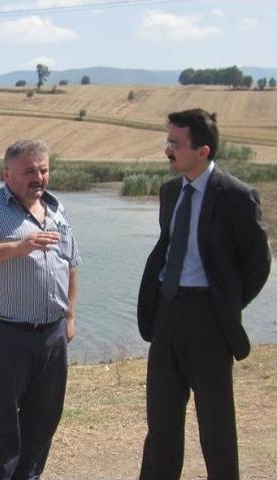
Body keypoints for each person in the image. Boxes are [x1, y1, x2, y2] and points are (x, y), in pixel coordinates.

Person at [137, 109, 270, 480]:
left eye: (175, 144)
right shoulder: (169, 192)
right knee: (161, 423)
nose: (168, 151)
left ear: (203, 151)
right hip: (167, 314)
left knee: (216, 427)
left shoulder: (237, 196)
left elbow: (258, 263)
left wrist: (225, 304)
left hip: (209, 320)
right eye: (167, 142)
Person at [0, 139, 80, 480]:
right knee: (0, 431)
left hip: (52, 338)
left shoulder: (57, 210)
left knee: (42, 426)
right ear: (6, 174)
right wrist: (15, 248)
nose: (37, 177)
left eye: (43, 170)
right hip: (3, 337)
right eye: (29, 171)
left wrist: (69, 317)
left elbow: (71, 264)